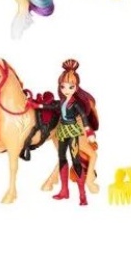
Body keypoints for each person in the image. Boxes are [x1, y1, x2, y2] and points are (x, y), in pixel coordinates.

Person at [52, 59, 99, 206]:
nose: (66, 90)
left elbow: (84, 117)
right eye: (63, 86)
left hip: (73, 131)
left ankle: (82, 195)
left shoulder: (76, 104)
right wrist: (35, 104)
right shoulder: (61, 102)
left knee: (75, 160)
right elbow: (50, 106)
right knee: (61, 158)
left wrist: (88, 132)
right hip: (62, 131)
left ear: (76, 87)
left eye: (70, 87)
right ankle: (64, 190)